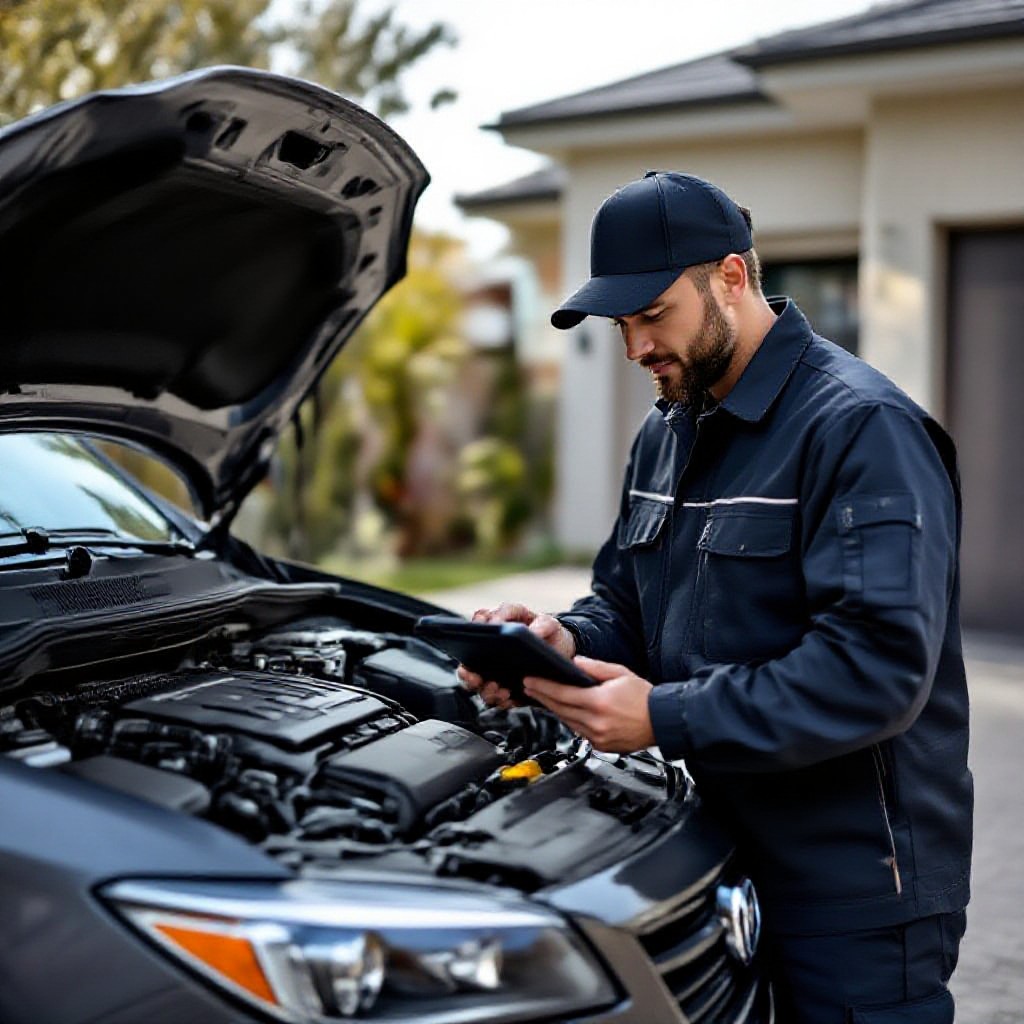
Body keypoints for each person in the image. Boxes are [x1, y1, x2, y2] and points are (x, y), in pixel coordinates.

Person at [459, 171, 972, 1023]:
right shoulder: (666, 434)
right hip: (709, 860)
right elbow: (625, 606)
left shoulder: (859, 428)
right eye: (621, 325)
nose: (635, 350)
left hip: (855, 896)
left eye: (652, 316)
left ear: (731, 276)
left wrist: (664, 718)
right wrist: (560, 641)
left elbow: (877, 667)